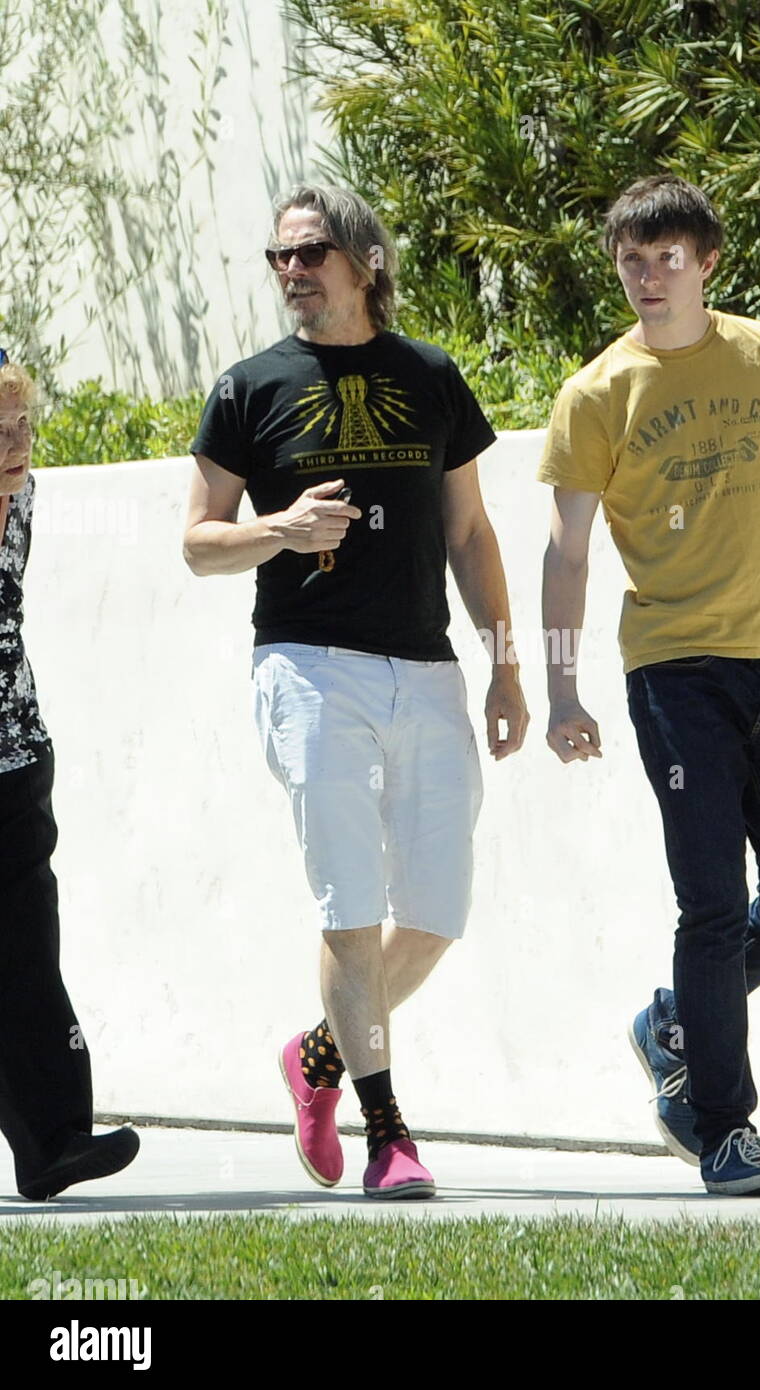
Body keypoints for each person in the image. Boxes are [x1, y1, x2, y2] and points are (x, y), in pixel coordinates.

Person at [184, 185, 528, 1198]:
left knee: (433, 909)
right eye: (280, 256)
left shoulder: (428, 376)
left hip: (426, 666)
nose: (294, 270)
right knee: (349, 903)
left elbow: (468, 532)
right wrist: (278, 530)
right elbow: (198, 544)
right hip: (307, 667)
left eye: (311, 253)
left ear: (365, 261)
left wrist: (506, 663)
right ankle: (388, 1135)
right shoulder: (247, 387)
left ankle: (318, 1057)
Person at [537, 175, 760, 1195]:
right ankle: (721, 1127)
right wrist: (560, 688)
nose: (647, 276)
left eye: (666, 257)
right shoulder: (596, 393)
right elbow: (565, 552)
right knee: (712, 907)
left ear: (706, 261)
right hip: (674, 676)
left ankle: (674, 1020)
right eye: (632, 260)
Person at [0, 350, 140, 1200]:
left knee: (26, 941)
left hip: (14, 746)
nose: (17, 444)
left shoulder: (24, 500)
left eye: (23, 426)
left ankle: (53, 1143)